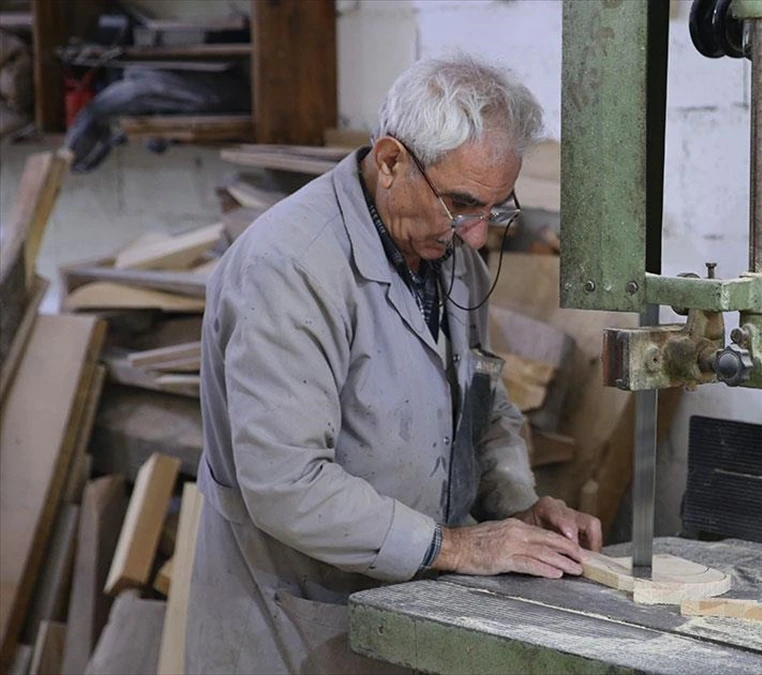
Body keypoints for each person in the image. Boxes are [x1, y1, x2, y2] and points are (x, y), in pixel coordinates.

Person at [185, 54, 601, 674]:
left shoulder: (452, 255)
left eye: (494, 208)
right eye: (461, 203)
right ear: (389, 161)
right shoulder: (290, 269)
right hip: (296, 623)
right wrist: (458, 546)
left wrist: (515, 504)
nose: (477, 235)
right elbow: (284, 483)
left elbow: (487, 405)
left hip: (411, 605)